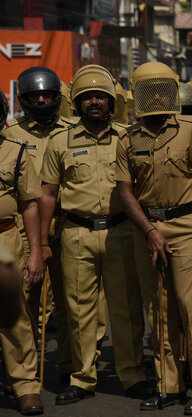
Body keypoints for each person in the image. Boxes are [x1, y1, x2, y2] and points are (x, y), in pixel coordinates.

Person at [115, 61, 192, 414]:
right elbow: (125, 192)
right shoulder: (128, 138)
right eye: (146, 89)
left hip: (186, 226)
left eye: (161, 88)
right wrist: (150, 231)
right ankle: (168, 386)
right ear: (136, 95)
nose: (155, 96)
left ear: (171, 90)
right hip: (147, 229)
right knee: (158, 309)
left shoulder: (191, 128)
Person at [40, 64, 150, 404]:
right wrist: (43, 241)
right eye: (87, 97)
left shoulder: (128, 137)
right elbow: (47, 194)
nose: (95, 102)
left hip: (120, 231)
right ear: (76, 103)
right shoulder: (60, 141)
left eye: (100, 96)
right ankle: (83, 377)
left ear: (112, 102)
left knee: (126, 308)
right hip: (76, 234)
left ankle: (132, 374)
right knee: (78, 310)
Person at [3, 66, 74, 379]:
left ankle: (71, 366)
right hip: (25, 228)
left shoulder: (72, 130)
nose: (42, 101)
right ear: (24, 99)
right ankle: (25, 371)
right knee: (27, 302)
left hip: (68, 225)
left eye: (48, 95)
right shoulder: (10, 135)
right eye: (36, 96)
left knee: (71, 301)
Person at [0, 85, 46, 416]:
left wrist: (35, 252)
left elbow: (30, 204)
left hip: (6, 239)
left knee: (14, 317)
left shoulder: (15, 151)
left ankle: (26, 387)